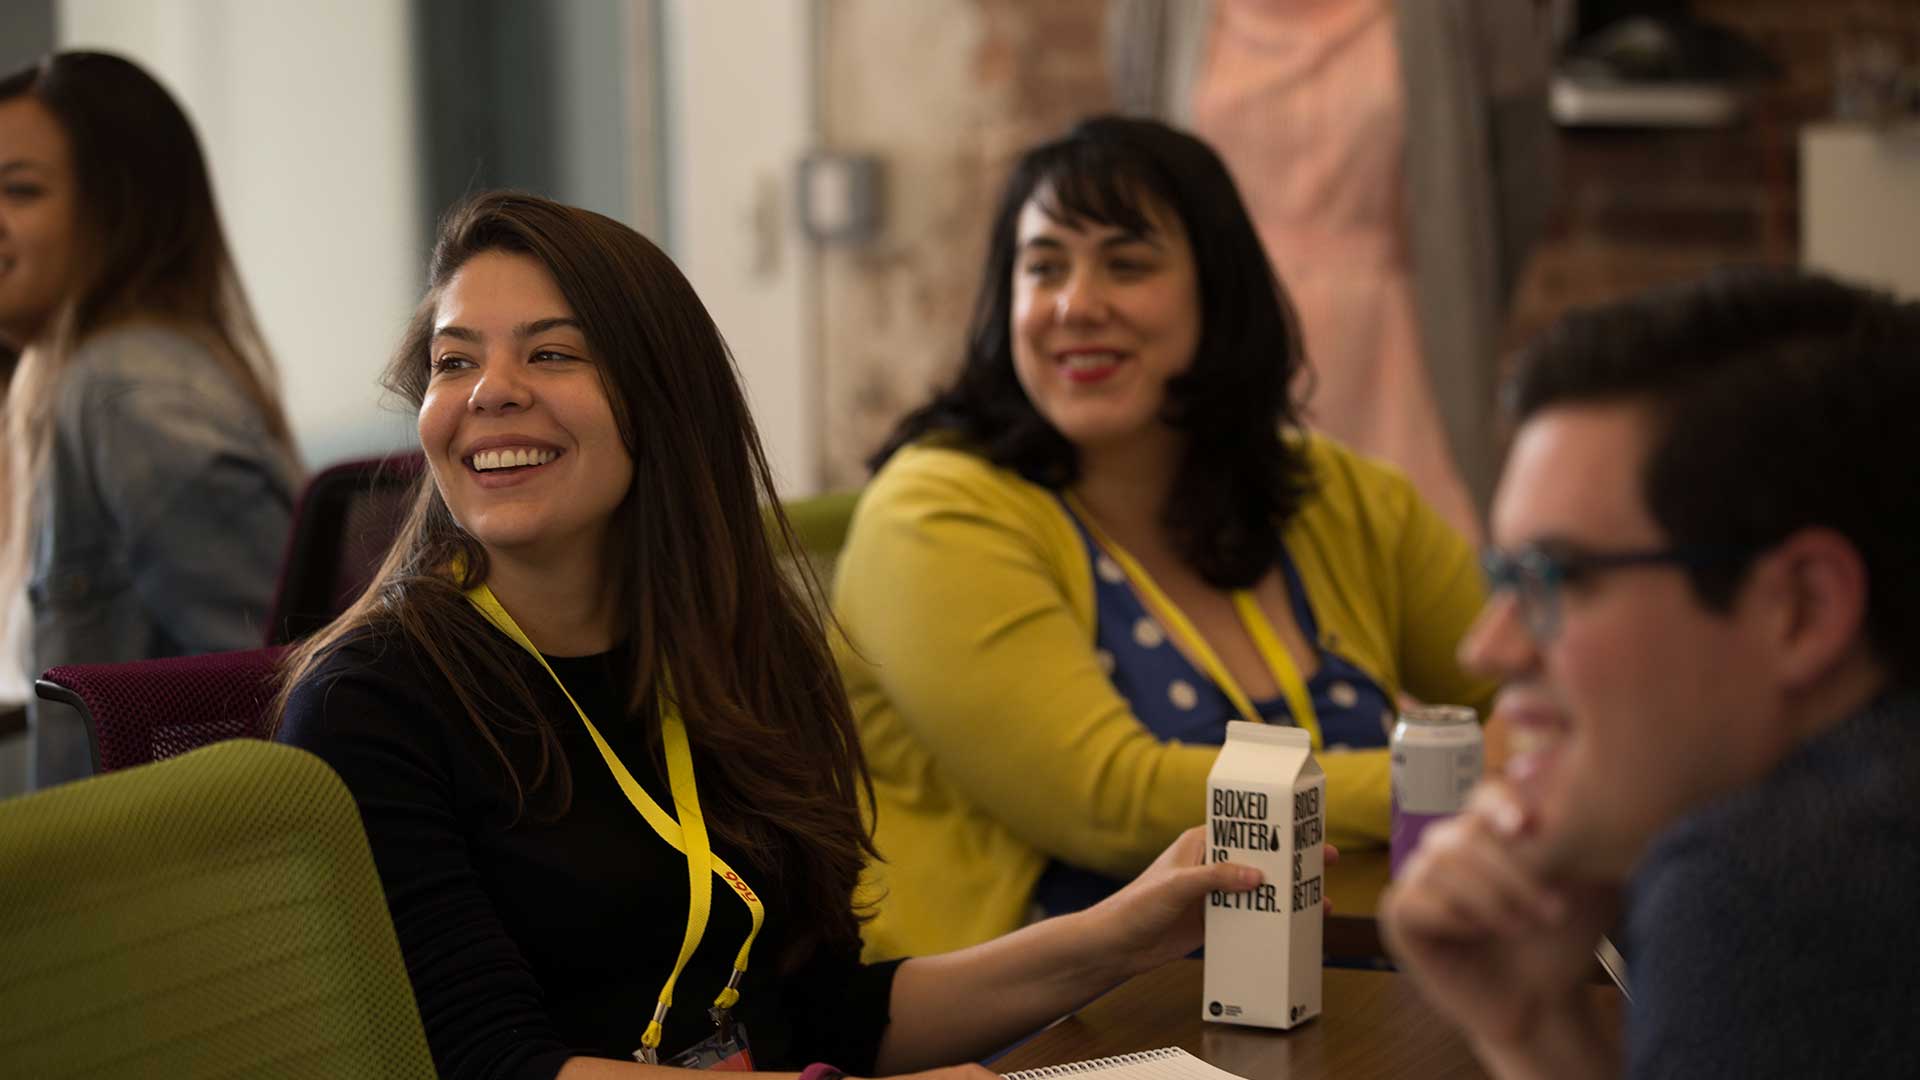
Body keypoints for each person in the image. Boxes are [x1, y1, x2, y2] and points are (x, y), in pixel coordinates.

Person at [274, 190, 1273, 1080]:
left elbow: (822, 1014)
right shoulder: (375, 699)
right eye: (455, 362)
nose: (490, 390)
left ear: (662, 404)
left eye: (551, 353)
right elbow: (495, 1065)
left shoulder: (740, 656)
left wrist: (1119, 937)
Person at [837, 115, 1494, 961]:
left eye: (1127, 263)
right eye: (1044, 268)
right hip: (1039, 1011)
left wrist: (1517, 760)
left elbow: (1531, 691)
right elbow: (1108, 801)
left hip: (1342, 969)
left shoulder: (1334, 493)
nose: (1076, 304)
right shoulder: (930, 514)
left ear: (1216, 293)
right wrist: (1450, 781)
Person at [1380, 268, 1920, 1077]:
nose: (1487, 649)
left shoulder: (1761, 882)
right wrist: (1531, 1028)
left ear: (1803, 608)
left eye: (1558, 578)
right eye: (1507, 581)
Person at [1108, 0, 1560, 534]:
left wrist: (1462, 303)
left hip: (1398, 359)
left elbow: (1520, 178)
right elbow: (1143, 167)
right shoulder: (1157, 11)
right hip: (1220, 353)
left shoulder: (1467, 13)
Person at [0, 51, 301, 788]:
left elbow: (291, 693)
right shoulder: (85, 384)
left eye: (21, 191)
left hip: (175, 893)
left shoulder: (125, 395)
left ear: (123, 209)